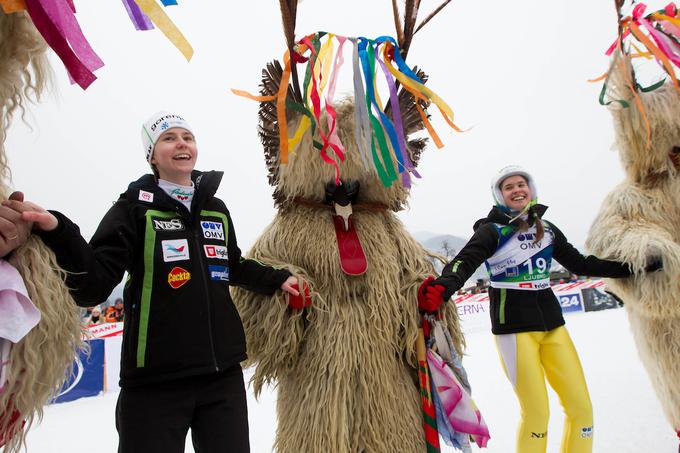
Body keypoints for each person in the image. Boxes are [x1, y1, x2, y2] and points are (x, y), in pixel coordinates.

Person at [5, 111, 302, 453]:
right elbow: (95, 284)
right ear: (152, 155)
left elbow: (232, 265)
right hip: (155, 383)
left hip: (221, 378)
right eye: (169, 138)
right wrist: (57, 230)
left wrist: (279, 280)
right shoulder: (133, 209)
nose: (181, 143)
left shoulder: (215, 208)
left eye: (187, 137)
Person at [418, 165, 660, 453]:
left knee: (581, 409)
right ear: (500, 195)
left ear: (531, 190)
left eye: (522, 184)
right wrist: (441, 289)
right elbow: (463, 263)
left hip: (553, 327)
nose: (517, 189)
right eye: (509, 187)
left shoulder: (548, 231)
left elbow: (583, 264)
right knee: (537, 415)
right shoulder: (492, 231)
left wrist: (633, 267)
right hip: (514, 332)